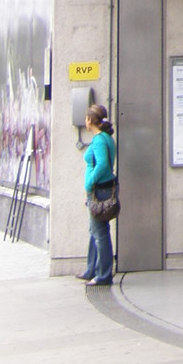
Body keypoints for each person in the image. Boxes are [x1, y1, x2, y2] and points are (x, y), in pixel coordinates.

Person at [81, 104, 116, 285]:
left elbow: (102, 165)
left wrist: (89, 183)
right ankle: (91, 269)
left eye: (86, 119)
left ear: (89, 120)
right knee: (95, 230)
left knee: (100, 232)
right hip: (101, 189)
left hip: (99, 190)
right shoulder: (105, 138)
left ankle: (103, 275)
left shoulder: (100, 140)